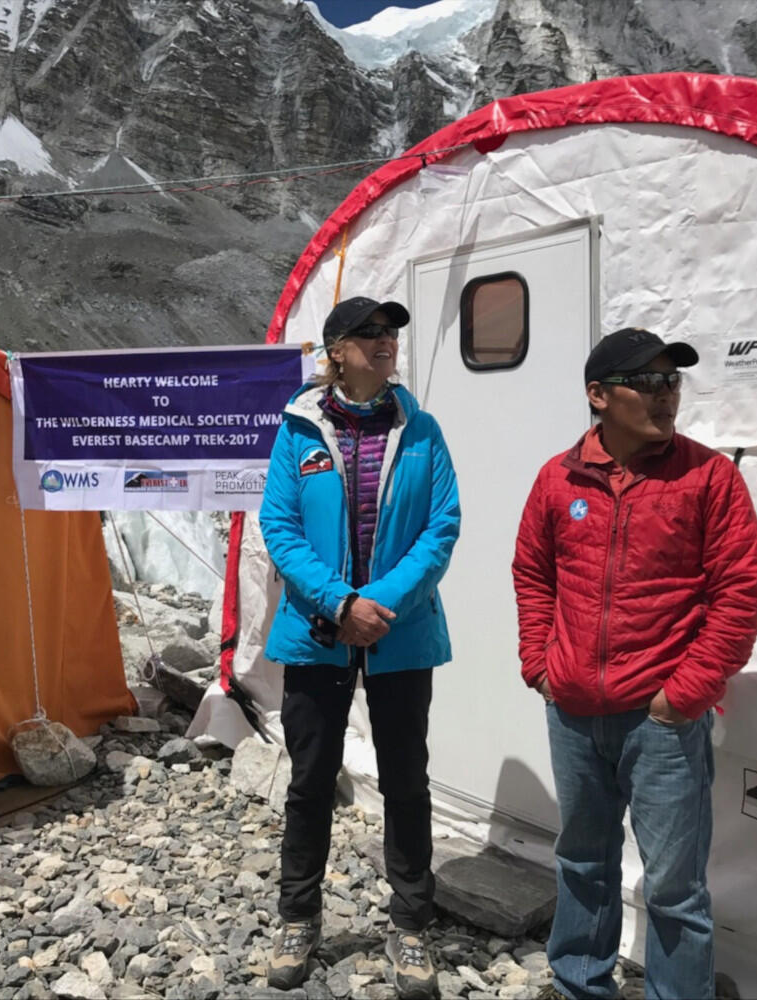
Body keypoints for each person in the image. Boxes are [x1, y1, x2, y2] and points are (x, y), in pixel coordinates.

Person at [512, 327, 757, 1000]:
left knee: (675, 889)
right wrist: (540, 663)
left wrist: (684, 693)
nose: (665, 395)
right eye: (647, 382)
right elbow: (533, 573)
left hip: (660, 721)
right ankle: (578, 985)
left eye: (672, 381)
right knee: (581, 863)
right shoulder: (556, 479)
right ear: (599, 396)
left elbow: (740, 594)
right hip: (572, 713)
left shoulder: (709, 478)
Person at [259, 296, 461, 997]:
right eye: (369, 334)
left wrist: (382, 605)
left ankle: (410, 925)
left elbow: (442, 528)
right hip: (318, 634)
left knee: (407, 782)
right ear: (336, 352)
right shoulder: (298, 432)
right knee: (311, 781)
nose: (385, 343)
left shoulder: (423, 430)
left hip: (399, 635)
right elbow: (279, 530)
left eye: (391, 334)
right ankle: (297, 916)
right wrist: (341, 604)